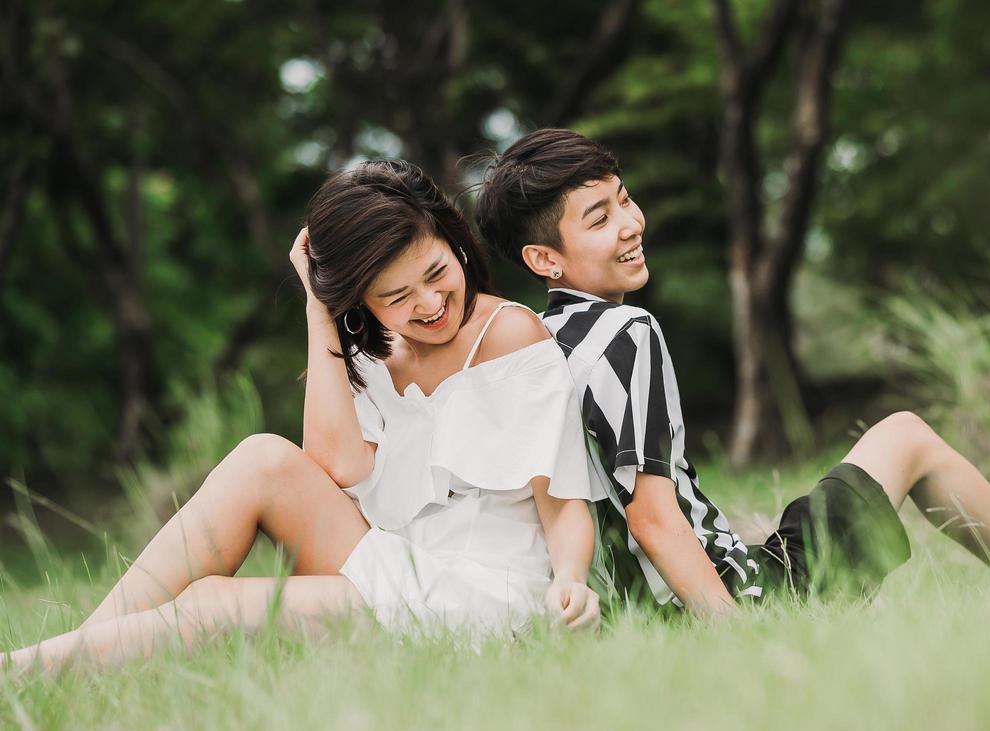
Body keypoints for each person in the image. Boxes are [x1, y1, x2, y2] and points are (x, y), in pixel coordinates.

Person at [472, 129, 990, 616]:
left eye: (624, 198)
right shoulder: (624, 333)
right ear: (545, 261)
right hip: (744, 596)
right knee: (906, 435)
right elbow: (652, 518)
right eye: (599, 217)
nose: (630, 222)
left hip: (639, 610)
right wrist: (735, 636)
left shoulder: (537, 347)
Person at [5, 160, 601, 671]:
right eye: (395, 297)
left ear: (455, 244)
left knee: (216, 602)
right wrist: (320, 312)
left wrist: (572, 580)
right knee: (263, 457)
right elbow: (338, 464)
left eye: (436, 273)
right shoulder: (376, 353)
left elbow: (562, 499)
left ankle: (26, 673)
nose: (428, 304)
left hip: (484, 596)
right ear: (360, 300)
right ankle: (63, 658)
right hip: (400, 566)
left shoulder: (510, 335)